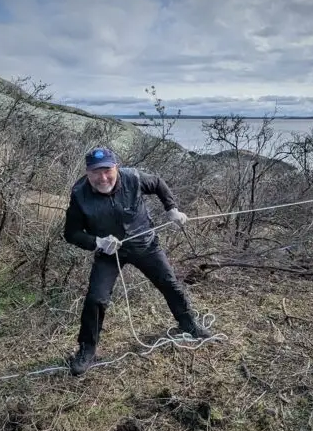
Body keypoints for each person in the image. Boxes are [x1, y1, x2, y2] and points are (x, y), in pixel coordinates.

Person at [62, 146, 212, 376]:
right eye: (95, 172)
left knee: (169, 283)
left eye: (107, 170)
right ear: (87, 172)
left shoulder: (132, 177)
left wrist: (172, 209)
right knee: (96, 299)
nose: (102, 178)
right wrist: (98, 242)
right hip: (109, 253)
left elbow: (159, 183)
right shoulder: (80, 194)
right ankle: (87, 349)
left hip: (145, 245)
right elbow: (71, 233)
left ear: (116, 168)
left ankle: (188, 323)